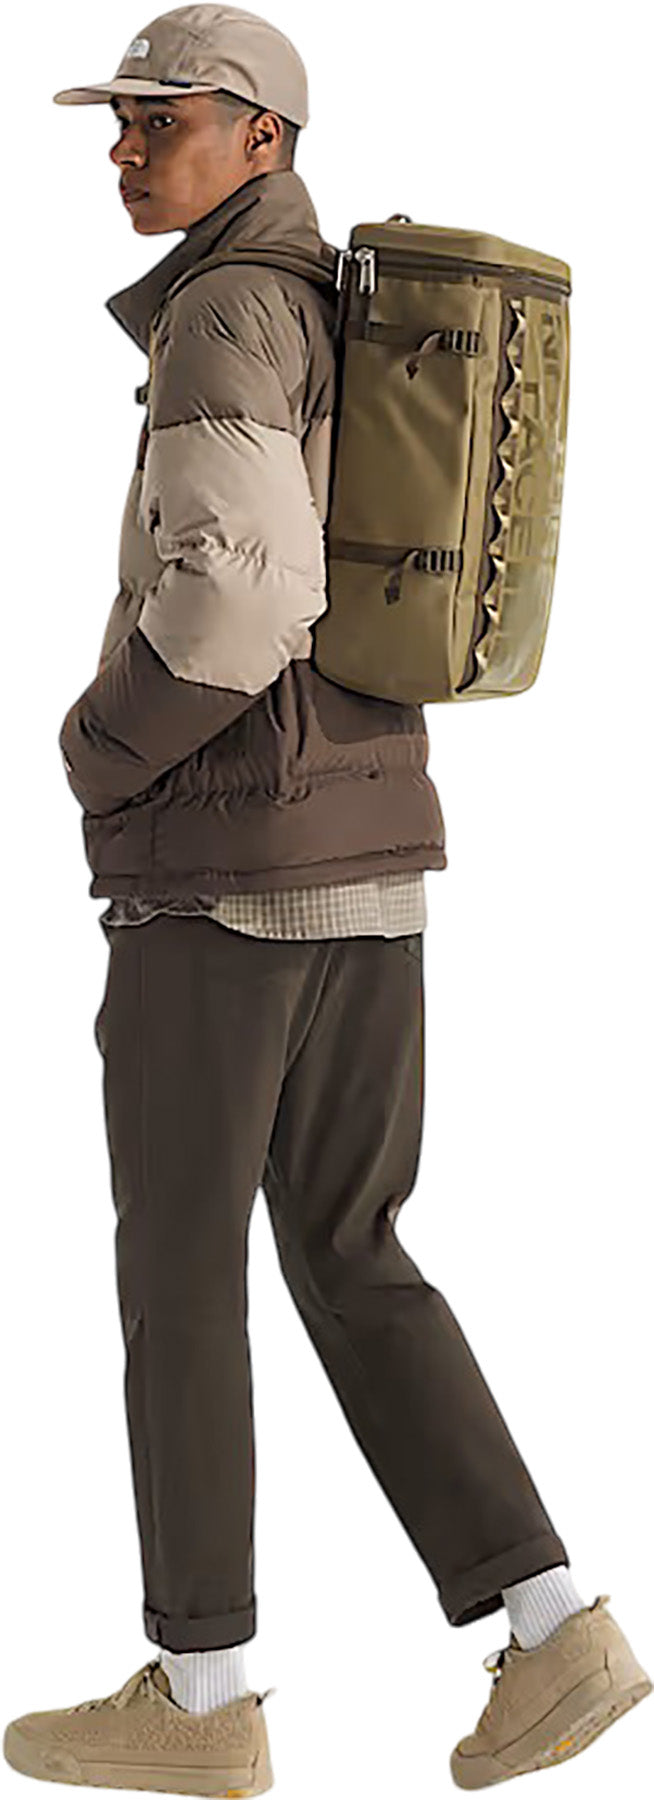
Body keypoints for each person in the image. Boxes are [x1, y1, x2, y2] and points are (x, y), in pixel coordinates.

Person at [4, 5, 651, 1793]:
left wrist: (98, 750)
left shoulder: (227, 309)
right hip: (369, 854)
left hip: (224, 875)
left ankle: (203, 1698)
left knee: (179, 1270)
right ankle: (552, 1625)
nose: (124, 147)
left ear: (261, 139)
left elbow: (237, 600)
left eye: (162, 118)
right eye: (121, 118)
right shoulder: (343, 307)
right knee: (355, 1252)